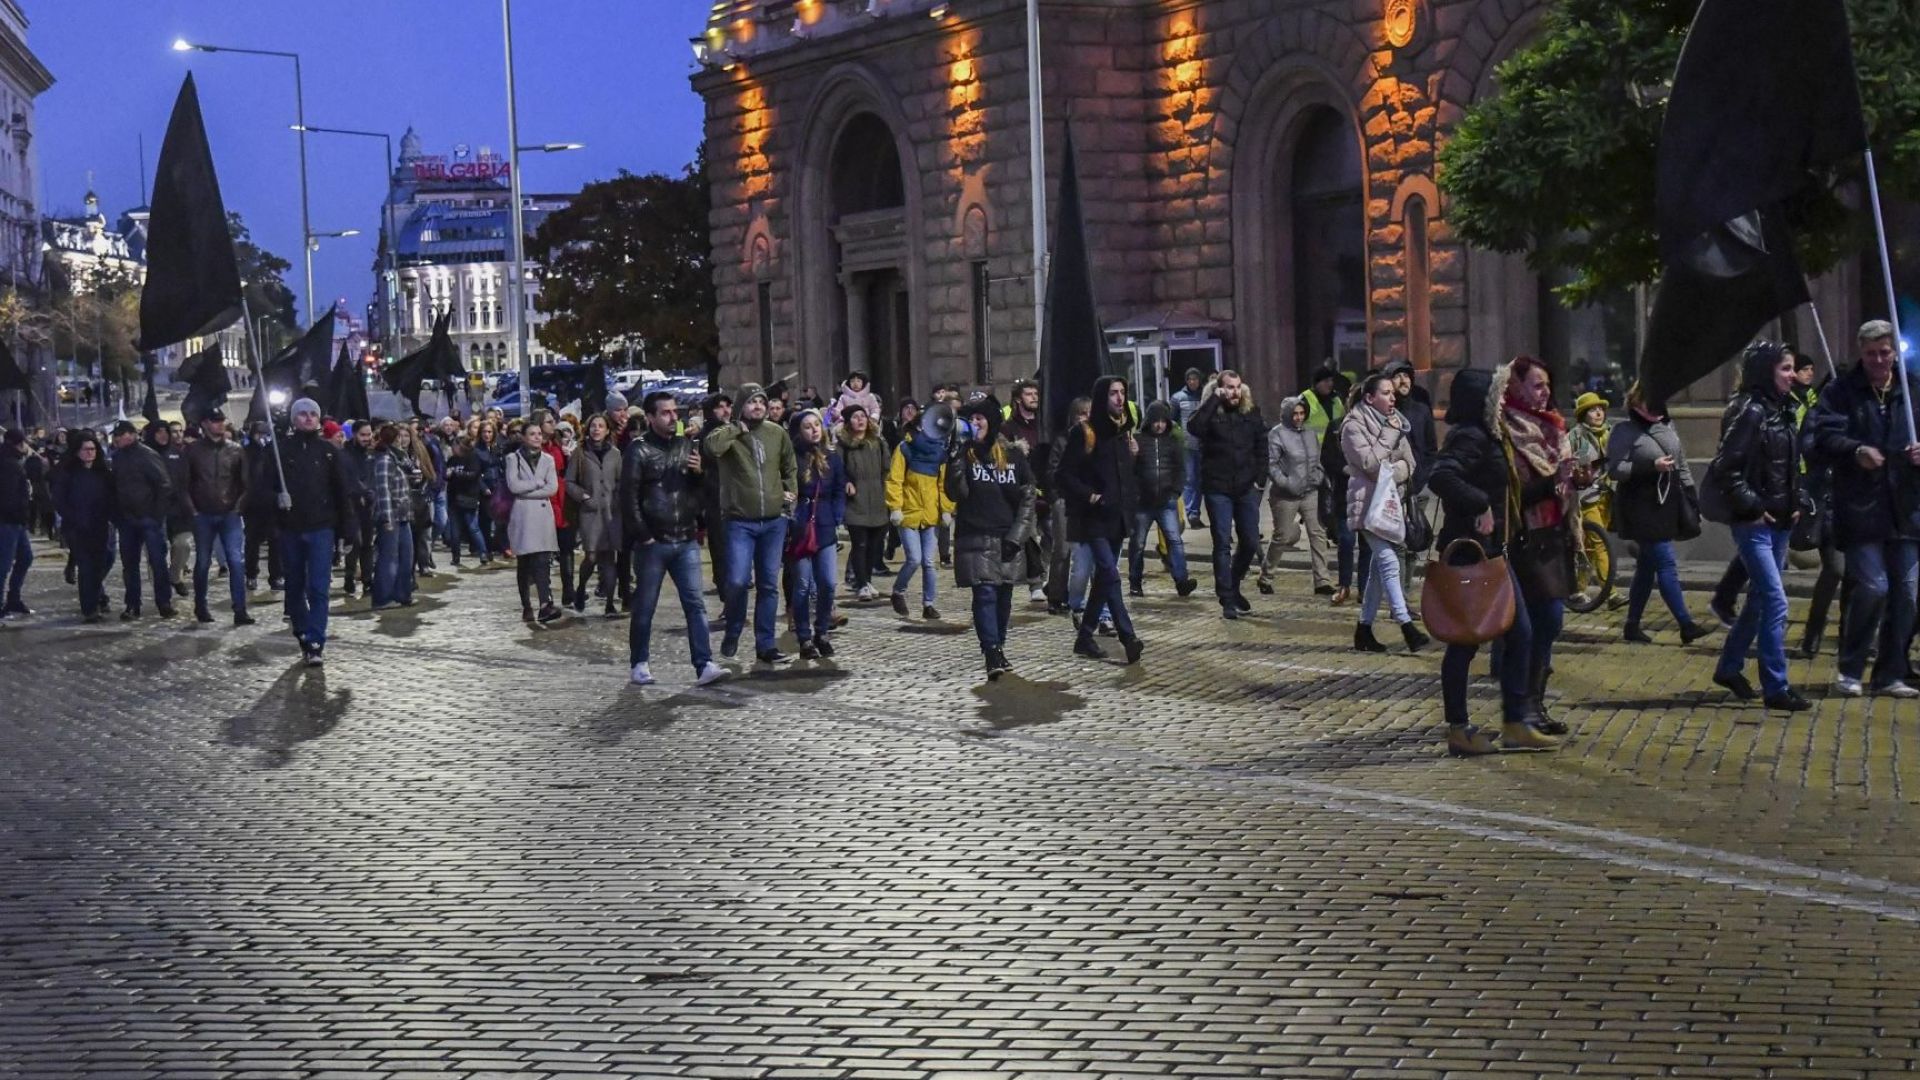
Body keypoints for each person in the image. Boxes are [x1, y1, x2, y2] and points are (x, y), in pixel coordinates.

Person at [1428, 368, 1557, 755]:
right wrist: (1478, 503)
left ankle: (1515, 722)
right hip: (1471, 551)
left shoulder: (1490, 436)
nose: (1504, 402)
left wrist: (1552, 486)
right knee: (1464, 640)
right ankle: (1459, 728)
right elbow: (1441, 475)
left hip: (1494, 549)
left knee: (1520, 633)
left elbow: (1503, 490)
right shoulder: (1470, 435)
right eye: (1498, 396)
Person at [1807, 320, 1920, 698]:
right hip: (1861, 505)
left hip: (1905, 506)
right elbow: (1820, 436)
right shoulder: (1841, 391)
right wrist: (1855, 451)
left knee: (1907, 591)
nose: (1878, 360)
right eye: (1871, 353)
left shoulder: (1911, 388)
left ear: (1894, 352)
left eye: (1884, 352)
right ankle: (1851, 666)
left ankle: (1891, 671)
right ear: (1861, 352)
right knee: (1873, 586)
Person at [1710, 343, 1813, 711]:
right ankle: (1776, 686)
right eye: (1785, 369)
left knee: (1759, 600)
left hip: (1782, 519)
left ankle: (1729, 666)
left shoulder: (1784, 409)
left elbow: (1790, 463)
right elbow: (1726, 469)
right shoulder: (1751, 411)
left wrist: (1798, 501)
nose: (1792, 375)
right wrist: (1752, 506)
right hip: (1756, 522)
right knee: (1775, 600)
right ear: (1766, 371)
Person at [1492, 356, 1578, 734]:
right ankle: (1521, 707)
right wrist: (1550, 484)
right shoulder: (1506, 429)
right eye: (1537, 385)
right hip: (1524, 537)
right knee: (1538, 623)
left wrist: (1577, 480)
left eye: (1547, 385)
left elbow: (1560, 484)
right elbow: (1511, 493)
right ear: (1516, 387)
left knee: (1550, 622)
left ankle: (1534, 705)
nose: (1545, 393)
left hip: (1555, 534)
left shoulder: (1554, 427)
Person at [622, 390, 727, 687]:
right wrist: (643, 536)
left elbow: (701, 491)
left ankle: (704, 663)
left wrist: (699, 473)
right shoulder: (638, 450)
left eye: (674, 412)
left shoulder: (686, 446)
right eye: (665, 413)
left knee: (695, 603)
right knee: (645, 604)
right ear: (651, 417)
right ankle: (639, 662)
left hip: (685, 538)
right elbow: (628, 498)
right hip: (653, 541)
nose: (672, 417)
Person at [1606, 386, 1713, 645]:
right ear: (1635, 402)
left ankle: (1632, 625)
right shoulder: (1624, 431)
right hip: (1639, 505)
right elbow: (1615, 469)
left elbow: (1682, 464)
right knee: (1665, 562)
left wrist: (1691, 498)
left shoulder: (1667, 426)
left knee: (1646, 567)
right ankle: (1686, 624)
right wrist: (1650, 466)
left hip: (1666, 502)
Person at [1054, 375, 1144, 664]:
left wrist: (1135, 457)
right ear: (1102, 397)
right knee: (1110, 573)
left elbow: (1126, 477)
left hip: (1117, 517)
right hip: (1092, 518)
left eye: (1122, 393)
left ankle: (1084, 637)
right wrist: (1089, 495)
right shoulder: (1086, 432)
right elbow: (1063, 474)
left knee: (1104, 579)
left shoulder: (1124, 432)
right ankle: (1128, 636)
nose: (1119, 398)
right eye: (1113, 393)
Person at [706, 383, 798, 665]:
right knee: (736, 581)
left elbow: (789, 465)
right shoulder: (727, 434)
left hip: (773, 521)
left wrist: (789, 492)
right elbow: (712, 447)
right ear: (740, 407)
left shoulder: (776, 432)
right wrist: (737, 429)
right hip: (739, 522)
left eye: (761, 401)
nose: (758, 406)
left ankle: (765, 644)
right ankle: (733, 629)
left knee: (769, 585)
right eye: (752, 402)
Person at [946, 394, 1035, 678]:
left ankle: (998, 646)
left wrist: (1016, 537)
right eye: (970, 418)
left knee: (1003, 598)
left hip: (1006, 538)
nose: (974, 423)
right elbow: (955, 493)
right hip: (975, 536)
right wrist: (956, 456)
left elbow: (1028, 499)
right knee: (984, 594)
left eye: (979, 418)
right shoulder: (964, 455)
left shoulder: (1013, 456)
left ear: (992, 421)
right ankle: (991, 651)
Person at [1341, 373, 1424, 653]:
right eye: (1386, 393)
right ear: (1369, 398)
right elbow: (1370, 464)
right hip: (1366, 505)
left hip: (1390, 503)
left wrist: (1393, 471)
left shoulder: (1395, 421)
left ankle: (1363, 630)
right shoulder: (1353, 426)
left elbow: (1410, 463)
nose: (1393, 398)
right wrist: (1389, 439)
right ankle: (1406, 625)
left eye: (1393, 393)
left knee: (1378, 570)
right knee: (1389, 562)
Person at [274, 399, 355, 665]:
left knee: (319, 587)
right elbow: (262, 486)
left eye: (313, 414)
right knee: (295, 586)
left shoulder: (329, 453)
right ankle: (302, 629)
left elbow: (342, 492)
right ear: (294, 419)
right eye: (303, 415)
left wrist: (348, 529)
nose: (308, 419)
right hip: (290, 528)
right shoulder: (280, 451)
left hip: (322, 527)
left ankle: (316, 639)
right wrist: (276, 499)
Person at [1187, 369, 1267, 619]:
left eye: (1238, 387)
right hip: (1217, 487)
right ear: (1219, 388)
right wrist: (1214, 400)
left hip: (1245, 487)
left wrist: (1260, 480)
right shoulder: (1211, 413)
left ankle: (1233, 584)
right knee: (1222, 542)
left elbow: (1261, 446)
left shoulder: (1250, 412)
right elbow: (1195, 428)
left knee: (1251, 541)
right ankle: (1226, 598)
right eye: (1229, 387)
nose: (1234, 392)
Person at [885, 397, 953, 620]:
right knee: (913, 558)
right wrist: (895, 507)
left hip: (931, 514)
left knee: (929, 562)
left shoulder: (940, 452)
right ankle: (898, 591)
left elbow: (944, 484)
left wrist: (946, 509)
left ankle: (929, 604)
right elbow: (894, 480)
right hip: (908, 513)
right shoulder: (905, 448)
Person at [786, 409, 846, 659]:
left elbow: (840, 488)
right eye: (807, 426)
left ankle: (822, 632)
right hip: (799, 527)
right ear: (799, 431)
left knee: (828, 584)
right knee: (801, 586)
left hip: (824, 526)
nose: (813, 430)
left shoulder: (832, 457)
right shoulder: (791, 458)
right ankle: (804, 638)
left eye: (816, 425)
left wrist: (837, 516)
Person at [184, 409, 253, 625]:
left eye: (221, 421)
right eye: (215, 421)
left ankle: (240, 609)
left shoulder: (236, 450)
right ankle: (201, 606)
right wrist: (193, 510)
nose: (220, 424)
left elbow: (246, 483)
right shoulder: (193, 451)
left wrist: (238, 507)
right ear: (205, 424)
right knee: (203, 562)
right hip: (203, 513)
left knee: (235, 560)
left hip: (229, 513)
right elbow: (184, 484)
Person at [1259, 395, 1332, 597]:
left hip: (1310, 491)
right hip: (1285, 494)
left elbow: (1317, 459)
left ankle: (1322, 580)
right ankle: (1266, 576)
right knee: (1281, 536)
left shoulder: (1309, 433)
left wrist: (1317, 477)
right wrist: (1288, 483)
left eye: (1302, 413)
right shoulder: (1277, 434)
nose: (1299, 417)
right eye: (1295, 414)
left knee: (1317, 533)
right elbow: (1271, 465)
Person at [108, 419, 177, 620]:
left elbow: (164, 485)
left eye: (119, 435)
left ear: (130, 435)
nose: (117, 439)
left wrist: (156, 515)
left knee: (157, 562)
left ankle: (164, 602)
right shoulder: (118, 457)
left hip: (149, 518)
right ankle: (132, 604)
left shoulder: (147, 455)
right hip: (127, 520)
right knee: (130, 564)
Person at [1127, 401, 1197, 597]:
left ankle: (1181, 580)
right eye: (1156, 421)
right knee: (1138, 543)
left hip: (1166, 501)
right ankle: (1135, 582)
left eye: (1163, 421)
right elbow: (1130, 470)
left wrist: (1175, 492)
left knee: (1174, 540)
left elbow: (1180, 470)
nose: (1159, 425)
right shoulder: (1139, 440)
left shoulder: (1172, 443)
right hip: (1143, 503)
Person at [565, 412, 624, 617]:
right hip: (590, 513)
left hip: (611, 512)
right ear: (587, 429)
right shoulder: (579, 453)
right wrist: (582, 496)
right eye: (593, 426)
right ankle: (581, 587)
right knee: (591, 556)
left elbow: (621, 481)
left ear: (607, 430)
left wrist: (617, 498)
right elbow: (569, 482)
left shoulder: (615, 454)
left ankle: (609, 603)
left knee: (609, 558)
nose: (596, 429)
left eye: (600, 426)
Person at [52, 432, 114, 622]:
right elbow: (59, 500)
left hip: (100, 526)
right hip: (77, 528)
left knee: (104, 562)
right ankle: (90, 608)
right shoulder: (68, 473)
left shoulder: (102, 472)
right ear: (77, 452)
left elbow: (111, 497)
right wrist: (74, 517)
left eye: (93, 449)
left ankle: (95, 597)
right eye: (86, 449)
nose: (90, 453)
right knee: (87, 567)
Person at [506, 424, 563, 624]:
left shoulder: (548, 459)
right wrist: (536, 484)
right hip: (522, 516)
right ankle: (526, 605)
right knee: (525, 562)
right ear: (523, 437)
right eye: (532, 434)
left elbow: (552, 488)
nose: (537, 437)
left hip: (541, 516)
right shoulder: (513, 459)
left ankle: (545, 604)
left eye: (539, 434)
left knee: (542, 561)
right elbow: (513, 485)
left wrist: (528, 490)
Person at [837, 403, 890, 601]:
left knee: (874, 545)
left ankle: (867, 581)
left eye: (863, 416)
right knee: (860, 544)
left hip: (877, 499)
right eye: (855, 417)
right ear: (848, 422)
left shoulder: (877, 441)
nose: (860, 420)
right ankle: (861, 584)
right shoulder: (844, 445)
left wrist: (886, 490)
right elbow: (838, 470)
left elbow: (887, 467)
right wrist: (847, 482)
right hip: (856, 501)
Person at [369, 423, 419, 611]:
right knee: (389, 558)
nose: (403, 440)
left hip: (404, 515)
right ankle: (382, 597)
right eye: (400, 437)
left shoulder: (398, 458)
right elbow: (383, 490)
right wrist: (388, 519)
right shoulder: (384, 460)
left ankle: (402, 593)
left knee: (407, 556)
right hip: (391, 516)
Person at [147, 421, 194, 598]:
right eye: (158, 432)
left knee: (183, 545)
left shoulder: (178, 454)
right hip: (153, 512)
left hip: (178, 510)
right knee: (156, 556)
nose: (163, 435)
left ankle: (175, 576)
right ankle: (162, 596)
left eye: (165, 431)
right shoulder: (145, 455)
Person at [339, 422, 376, 598]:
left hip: (368, 504)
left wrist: (370, 493)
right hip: (351, 504)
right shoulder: (344, 455)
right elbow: (346, 479)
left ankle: (368, 580)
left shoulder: (371, 453)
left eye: (369, 434)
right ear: (354, 434)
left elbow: (372, 476)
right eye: (363, 435)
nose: (367, 438)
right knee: (355, 542)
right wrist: (360, 492)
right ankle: (350, 575)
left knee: (367, 543)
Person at [443, 435, 492, 567]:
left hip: (468, 497)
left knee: (473, 527)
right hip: (453, 498)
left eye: (454, 445)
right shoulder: (452, 460)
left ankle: (483, 553)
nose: (452, 448)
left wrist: (455, 474)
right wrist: (447, 474)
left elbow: (473, 475)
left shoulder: (472, 458)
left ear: (460, 446)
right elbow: (445, 475)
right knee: (455, 530)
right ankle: (456, 556)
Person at [0, 428, 32, 618]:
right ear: (18, 443)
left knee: (25, 557)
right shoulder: (9, 464)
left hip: (16, 521)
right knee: (3, 564)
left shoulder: (12, 461)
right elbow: (10, 496)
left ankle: (13, 599)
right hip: (9, 521)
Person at [1169, 367, 1208, 527]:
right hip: (1186, 445)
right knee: (1190, 479)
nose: (1193, 382)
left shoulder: (1205, 397)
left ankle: (1195, 512)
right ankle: (1191, 513)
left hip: (1203, 445)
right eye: (1190, 379)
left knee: (1200, 481)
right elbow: (1171, 421)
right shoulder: (1178, 398)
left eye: (1195, 379)